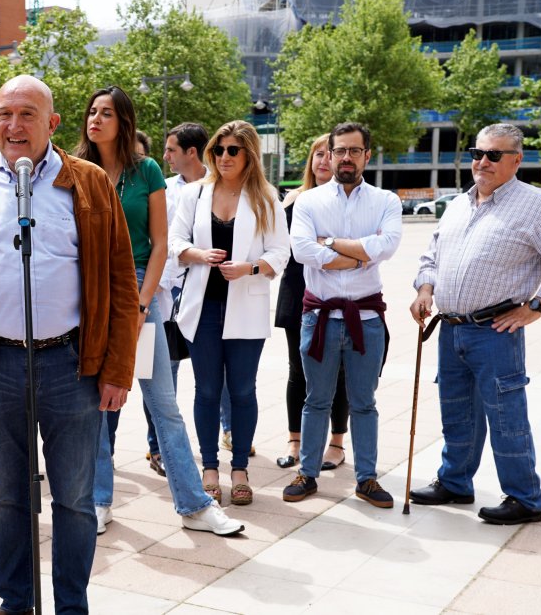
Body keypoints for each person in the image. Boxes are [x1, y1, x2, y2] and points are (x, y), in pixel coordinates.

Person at [0, 75, 138, 615]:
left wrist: (117, 368)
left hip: (73, 364)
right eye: (4, 114)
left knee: (73, 499)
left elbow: (120, 280)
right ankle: (15, 602)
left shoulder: (89, 183)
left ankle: (71, 606)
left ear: (52, 123)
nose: (13, 126)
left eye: (26, 114)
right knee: (8, 498)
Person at [77, 87, 244, 537]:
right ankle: (97, 500)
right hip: (88, 295)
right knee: (94, 405)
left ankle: (193, 504)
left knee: (163, 405)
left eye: (106, 112)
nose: (96, 118)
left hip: (137, 293)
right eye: (92, 111)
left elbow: (160, 244)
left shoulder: (146, 170)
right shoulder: (74, 171)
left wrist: (141, 303)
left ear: (123, 120)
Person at [409, 123, 541, 525]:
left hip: (495, 332)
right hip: (451, 326)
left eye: (494, 155)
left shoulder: (535, 206)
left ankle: (525, 499)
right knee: (456, 413)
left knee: (506, 417)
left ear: (516, 160)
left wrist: (538, 306)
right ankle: (455, 482)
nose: (483, 161)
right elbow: (431, 255)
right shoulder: (459, 203)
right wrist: (425, 289)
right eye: (478, 153)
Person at [169, 120, 290, 506]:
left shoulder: (266, 197)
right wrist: (198, 255)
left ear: (248, 154)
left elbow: (280, 253)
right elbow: (174, 241)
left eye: (232, 150)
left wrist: (249, 268)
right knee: (205, 390)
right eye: (218, 150)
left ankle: (239, 469)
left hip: (246, 307)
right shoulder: (194, 194)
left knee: (241, 390)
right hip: (202, 307)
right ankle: (209, 467)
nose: (223, 156)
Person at [283, 122, 402, 508]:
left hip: (366, 318)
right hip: (319, 317)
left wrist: (330, 243)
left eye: (354, 150)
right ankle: (308, 473)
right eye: (339, 151)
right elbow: (302, 251)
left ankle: (366, 479)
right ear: (329, 155)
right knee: (316, 399)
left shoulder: (386, 201)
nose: (346, 157)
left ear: (367, 155)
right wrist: (358, 257)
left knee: (363, 401)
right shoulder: (309, 202)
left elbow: (386, 246)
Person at [274, 135, 349, 470]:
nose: (322, 161)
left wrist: (326, 247)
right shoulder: (293, 201)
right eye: (317, 154)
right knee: (298, 370)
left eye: (327, 155)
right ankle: (296, 440)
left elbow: (354, 247)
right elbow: (290, 249)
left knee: (339, 371)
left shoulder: (346, 201)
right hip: (297, 292)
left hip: (340, 293)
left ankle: (336, 442)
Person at [149, 122, 209, 476]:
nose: (166, 156)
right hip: (162, 290)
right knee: (159, 374)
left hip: (204, 290)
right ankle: (158, 448)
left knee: (211, 373)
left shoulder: (218, 188)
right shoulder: (164, 189)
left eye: (171, 150)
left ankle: (226, 434)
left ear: (192, 152)